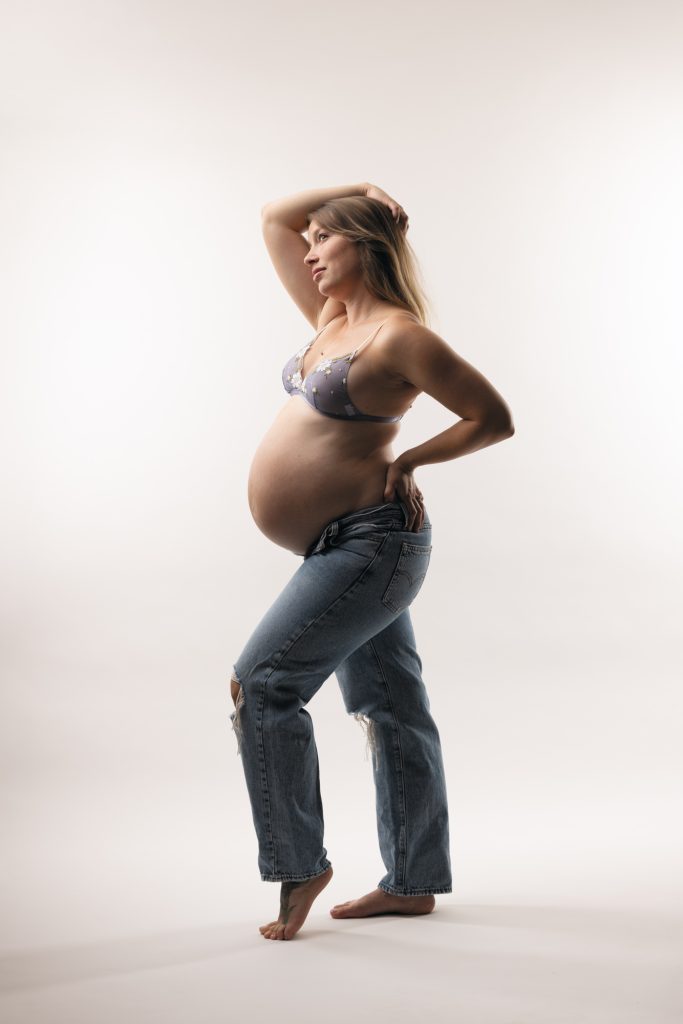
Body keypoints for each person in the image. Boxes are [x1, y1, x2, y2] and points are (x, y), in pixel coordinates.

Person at [229, 181, 515, 941]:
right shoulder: (330, 319)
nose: (310, 250)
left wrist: (412, 459)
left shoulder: (397, 336)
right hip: (339, 547)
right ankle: (414, 882)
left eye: (326, 238)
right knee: (392, 707)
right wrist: (355, 189)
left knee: (262, 683)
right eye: (313, 240)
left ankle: (299, 863)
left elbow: (494, 418)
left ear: (366, 247)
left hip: (372, 545)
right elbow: (273, 217)